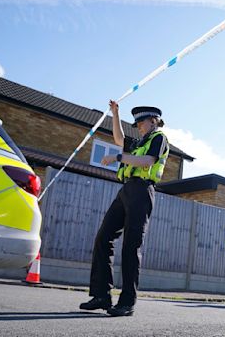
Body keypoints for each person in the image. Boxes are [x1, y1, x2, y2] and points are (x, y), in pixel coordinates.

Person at [80, 102, 169, 317]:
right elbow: (119, 139)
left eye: (141, 122)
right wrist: (116, 114)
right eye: (136, 123)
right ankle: (101, 295)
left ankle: (127, 302)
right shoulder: (139, 142)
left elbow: (148, 162)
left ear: (153, 121)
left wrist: (118, 157)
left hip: (142, 190)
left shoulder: (159, 138)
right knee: (103, 237)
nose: (138, 126)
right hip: (126, 190)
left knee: (131, 244)